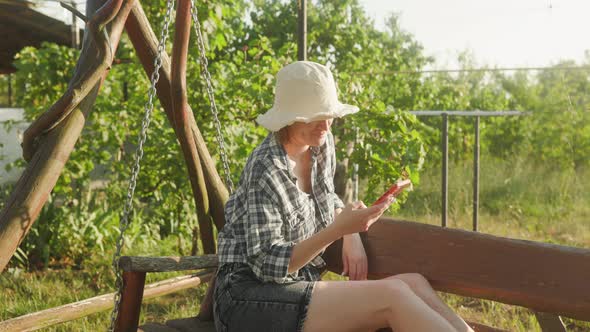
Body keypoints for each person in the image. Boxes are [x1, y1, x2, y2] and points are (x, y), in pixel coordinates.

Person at [213, 61, 473, 332]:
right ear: (289, 117)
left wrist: (351, 233)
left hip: (296, 287)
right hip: (247, 299)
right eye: (316, 116)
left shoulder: (321, 147)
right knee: (393, 296)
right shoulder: (265, 168)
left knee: (414, 284)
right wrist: (338, 230)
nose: (326, 124)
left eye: (329, 114)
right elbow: (268, 265)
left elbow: (326, 200)